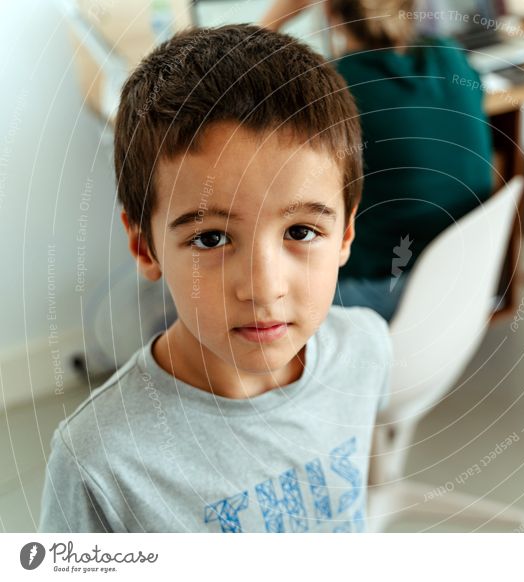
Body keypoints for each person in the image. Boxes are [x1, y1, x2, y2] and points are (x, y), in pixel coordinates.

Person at [39, 25, 392, 533]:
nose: (264, 287)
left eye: (301, 231)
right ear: (145, 246)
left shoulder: (366, 349)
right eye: (211, 239)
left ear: (345, 233)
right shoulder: (99, 462)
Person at [263, 0, 494, 321]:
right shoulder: (449, 54)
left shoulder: (339, 86)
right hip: (463, 277)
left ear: (331, 12)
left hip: (381, 290)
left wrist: (278, 14)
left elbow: (233, 83)